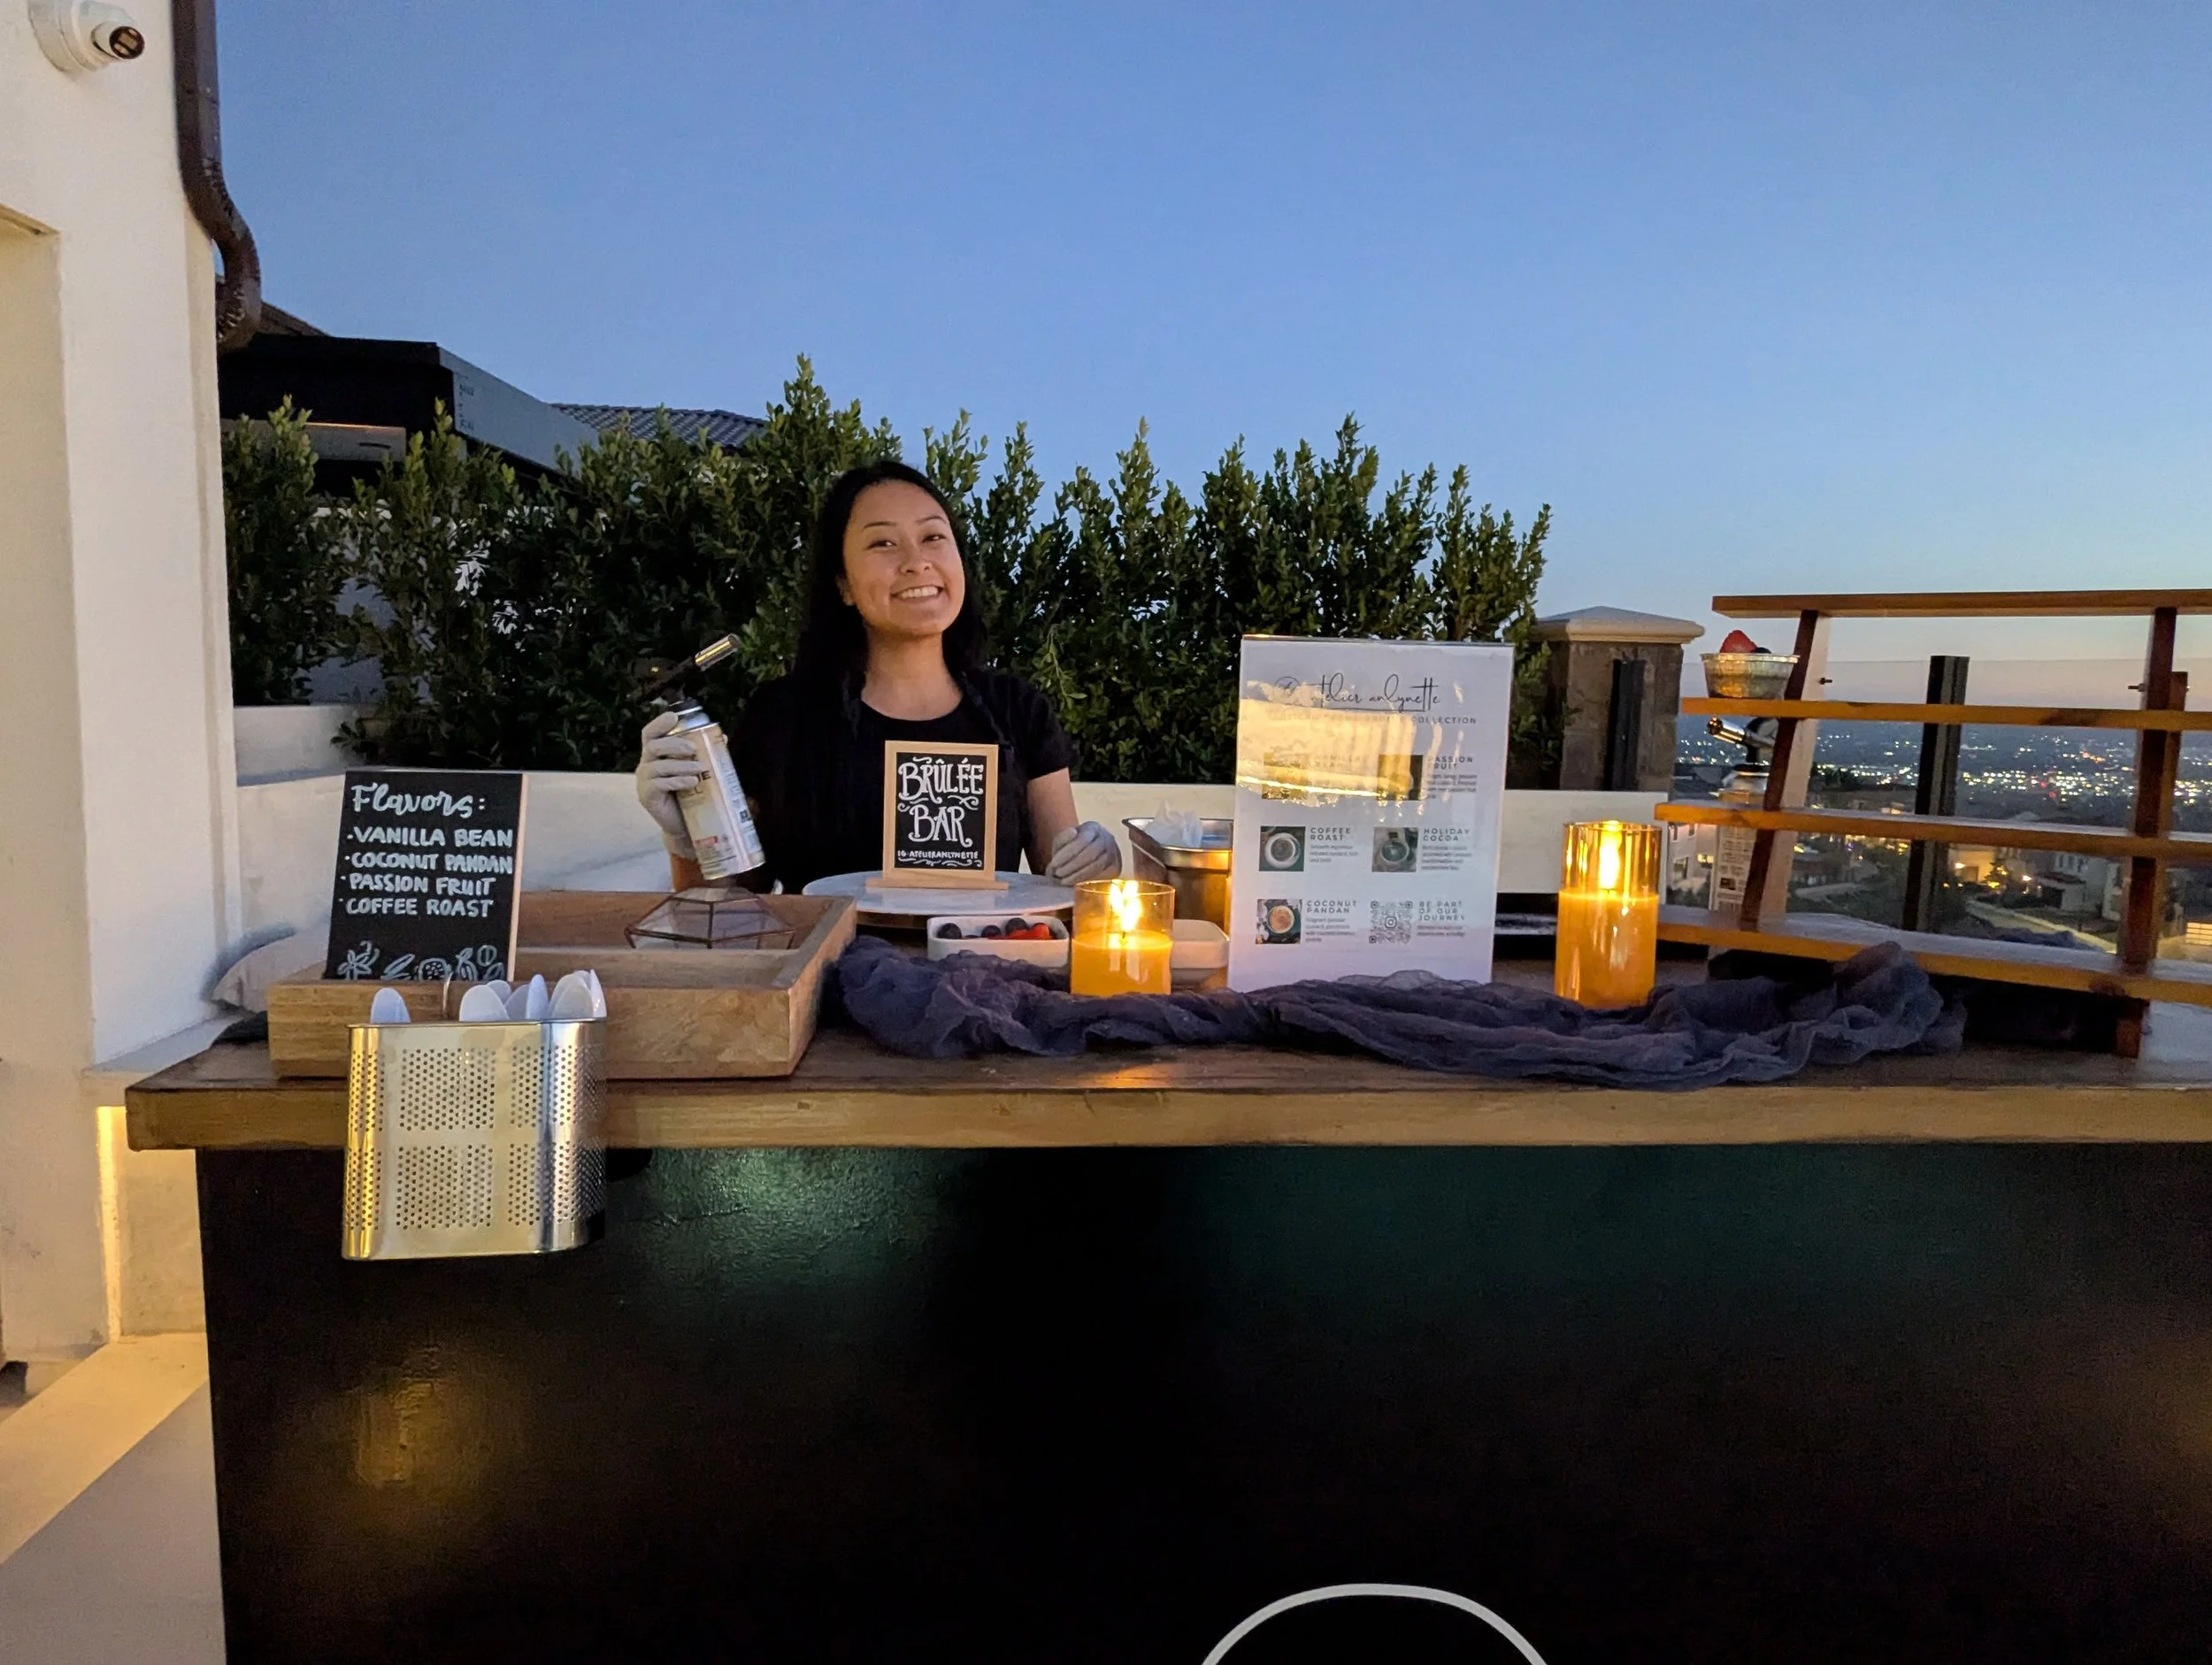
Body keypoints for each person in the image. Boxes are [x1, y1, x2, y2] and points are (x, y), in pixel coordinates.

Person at [634, 459, 1123, 894]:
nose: (916, 562)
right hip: (824, 987)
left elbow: (1062, 891)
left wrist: (1095, 864)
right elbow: (724, 907)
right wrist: (686, 837)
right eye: (883, 543)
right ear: (843, 584)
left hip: (981, 980)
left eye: (933, 536)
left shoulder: (1017, 710)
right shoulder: (784, 717)